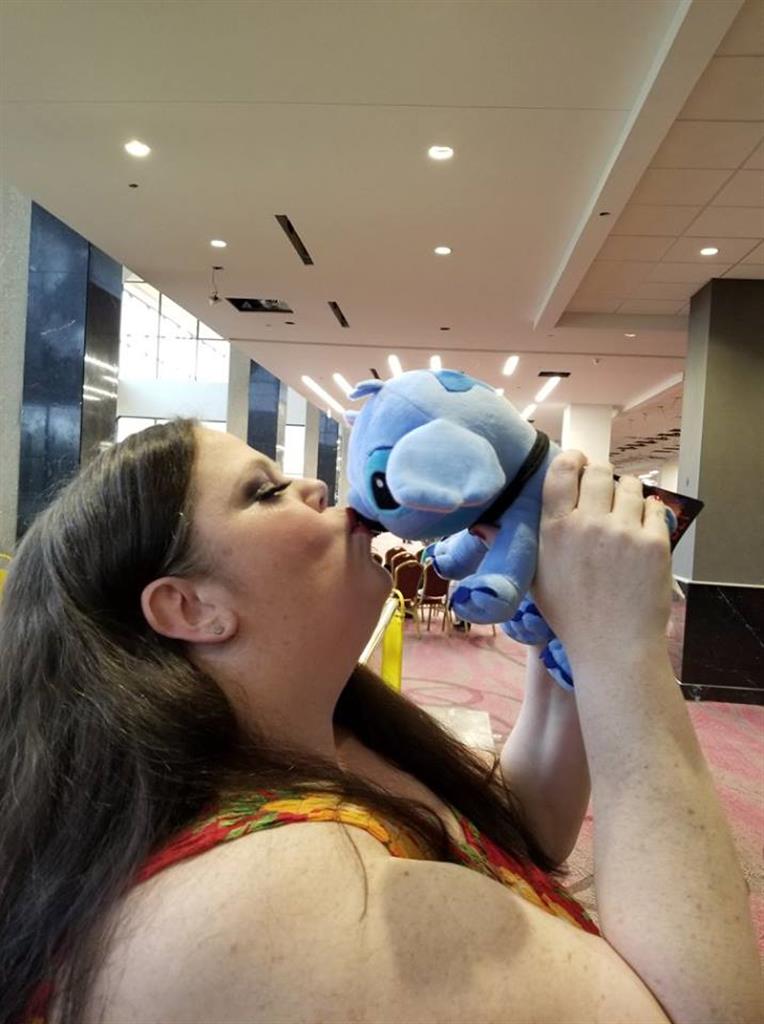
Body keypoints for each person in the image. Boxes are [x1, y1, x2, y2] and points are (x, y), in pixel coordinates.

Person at [0, 421, 759, 1024]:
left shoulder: (326, 736)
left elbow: (515, 831)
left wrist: (565, 652)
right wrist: (621, 651)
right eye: (266, 492)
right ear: (189, 608)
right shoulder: (271, 902)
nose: (314, 485)